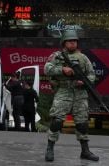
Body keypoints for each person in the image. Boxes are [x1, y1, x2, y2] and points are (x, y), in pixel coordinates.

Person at [43, 30, 99, 162]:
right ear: (64, 43)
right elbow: (47, 69)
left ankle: (85, 151)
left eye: (75, 41)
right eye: (70, 41)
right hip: (63, 91)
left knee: (82, 123)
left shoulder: (83, 58)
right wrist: (62, 69)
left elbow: (91, 74)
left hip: (80, 93)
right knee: (57, 121)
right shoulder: (57, 56)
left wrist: (84, 81)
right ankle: (50, 148)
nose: (73, 43)